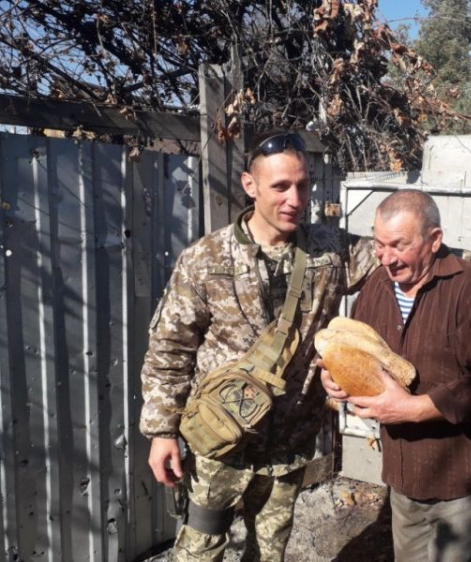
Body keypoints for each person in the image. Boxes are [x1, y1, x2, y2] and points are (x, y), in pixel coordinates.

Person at [140, 130, 377, 561]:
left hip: (288, 445)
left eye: (303, 185)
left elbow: (399, 252)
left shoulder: (330, 251)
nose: (295, 199)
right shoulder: (206, 259)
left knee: (270, 552)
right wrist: (161, 431)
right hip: (220, 443)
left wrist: (462, 266)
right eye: (280, 187)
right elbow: (169, 350)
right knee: (200, 549)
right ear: (250, 186)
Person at [321, 189, 471, 562]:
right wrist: (331, 378)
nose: (387, 258)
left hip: (463, 481)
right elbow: (354, 349)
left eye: (399, 245)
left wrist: (412, 409)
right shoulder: (376, 287)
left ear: (434, 240)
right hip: (403, 476)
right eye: (379, 245)